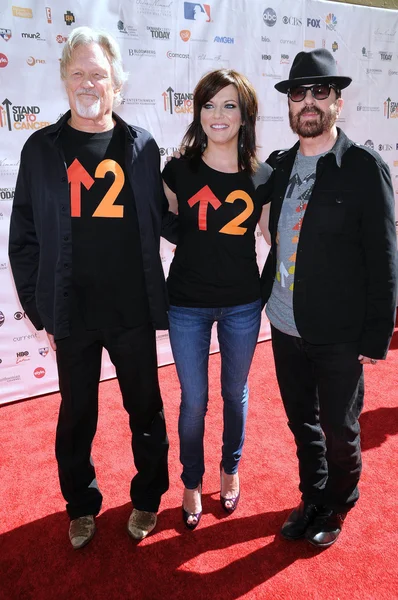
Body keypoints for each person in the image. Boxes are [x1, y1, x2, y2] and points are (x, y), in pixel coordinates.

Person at [9, 26, 177, 549]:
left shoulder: (142, 145)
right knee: (76, 415)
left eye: (97, 74)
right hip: (71, 313)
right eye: (78, 73)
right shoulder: (40, 149)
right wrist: (43, 313)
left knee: (145, 411)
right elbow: (24, 239)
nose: (88, 83)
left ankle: (148, 497)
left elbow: (165, 218)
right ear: (63, 81)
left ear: (117, 84)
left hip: (130, 309)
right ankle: (81, 505)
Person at [260, 48, 397, 547]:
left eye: (320, 92)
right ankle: (313, 494)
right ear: (290, 104)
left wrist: (376, 334)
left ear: (338, 100)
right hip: (283, 322)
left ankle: (338, 501)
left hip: (339, 331)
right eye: (299, 93)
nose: (309, 102)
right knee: (303, 423)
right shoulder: (277, 166)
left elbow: (384, 257)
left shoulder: (363, 167)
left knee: (340, 428)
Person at [162, 69, 272, 529]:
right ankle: (190, 482)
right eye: (209, 104)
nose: (218, 114)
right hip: (185, 303)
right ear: (198, 112)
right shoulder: (177, 170)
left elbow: (274, 236)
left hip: (243, 305)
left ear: (245, 114)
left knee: (234, 393)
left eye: (229, 105)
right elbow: (163, 226)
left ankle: (230, 469)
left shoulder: (263, 175)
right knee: (194, 400)